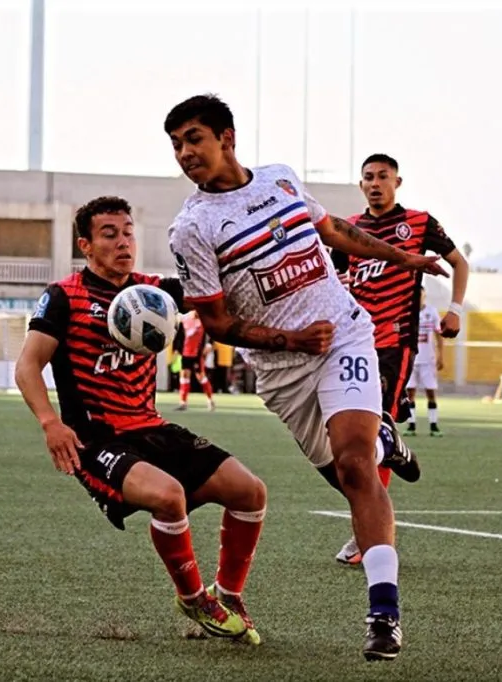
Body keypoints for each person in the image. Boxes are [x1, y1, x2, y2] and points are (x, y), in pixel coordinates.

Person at [164, 94, 449, 661]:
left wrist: (405, 258)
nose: (184, 154)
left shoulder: (281, 180)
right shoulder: (192, 228)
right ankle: (385, 434)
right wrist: (290, 340)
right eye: (175, 145)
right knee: (346, 477)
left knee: (355, 464)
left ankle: (384, 613)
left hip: (344, 333)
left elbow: (335, 230)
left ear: (227, 137)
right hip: (283, 371)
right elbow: (217, 322)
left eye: (193, 139)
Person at [15, 196, 266, 644]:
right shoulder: (63, 297)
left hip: (149, 425)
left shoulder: (155, 292)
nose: (122, 240)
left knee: (249, 491)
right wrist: (51, 423)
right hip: (95, 438)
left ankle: (227, 593)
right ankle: (191, 598)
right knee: (168, 496)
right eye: (109, 234)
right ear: (86, 246)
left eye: (128, 231)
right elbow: (27, 365)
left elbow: (218, 293)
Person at [330, 153, 469, 565]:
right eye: (368, 178)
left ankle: (369, 538)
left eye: (383, 177)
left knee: (370, 435)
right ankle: (392, 451)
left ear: (398, 182)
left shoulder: (420, 223)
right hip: (355, 343)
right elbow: (336, 283)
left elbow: (459, 262)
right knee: (348, 438)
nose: (375, 183)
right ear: (360, 186)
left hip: (395, 342)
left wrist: (455, 310)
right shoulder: (349, 229)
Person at [406, 289, 445, 436]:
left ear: (424, 296)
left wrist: (441, 356)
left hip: (428, 360)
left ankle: (433, 426)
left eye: (420, 295)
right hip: (411, 360)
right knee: (410, 393)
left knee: (430, 392)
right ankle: (411, 425)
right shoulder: (407, 312)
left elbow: (439, 336)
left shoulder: (432, 312)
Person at [176, 310, 215, 411]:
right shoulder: (185, 318)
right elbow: (179, 333)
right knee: (184, 376)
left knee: (201, 377)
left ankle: (210, 400)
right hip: (185, 353)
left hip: (197, 354)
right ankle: (183, 402)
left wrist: (209, 344)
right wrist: (177, 348)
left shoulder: (204, 320)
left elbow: (212, 333)